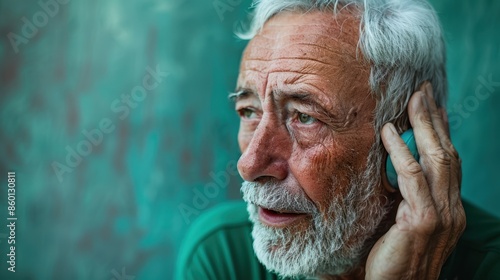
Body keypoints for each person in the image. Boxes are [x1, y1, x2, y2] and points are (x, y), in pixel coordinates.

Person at [176, 0, 500, 279]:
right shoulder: (223, 256)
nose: (249, 165)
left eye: (305, 117)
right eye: (249, 111)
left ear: (410, 142)